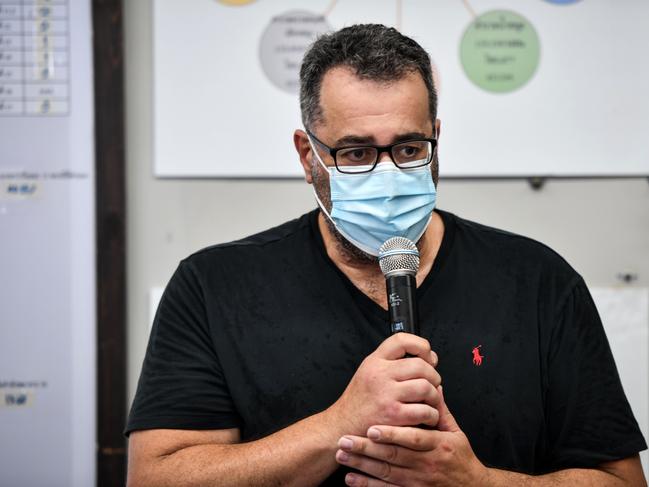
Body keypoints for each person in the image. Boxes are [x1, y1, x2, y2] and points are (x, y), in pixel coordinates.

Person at [125, 24, 647, 486]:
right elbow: (156, 476)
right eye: (355, 153)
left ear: (436, 140)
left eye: (408, 148)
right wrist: (339, 424)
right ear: (309, 157)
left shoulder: (538, 281)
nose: (388, 175)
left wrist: (476, 484)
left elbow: (619, 481)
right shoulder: (213, 286)